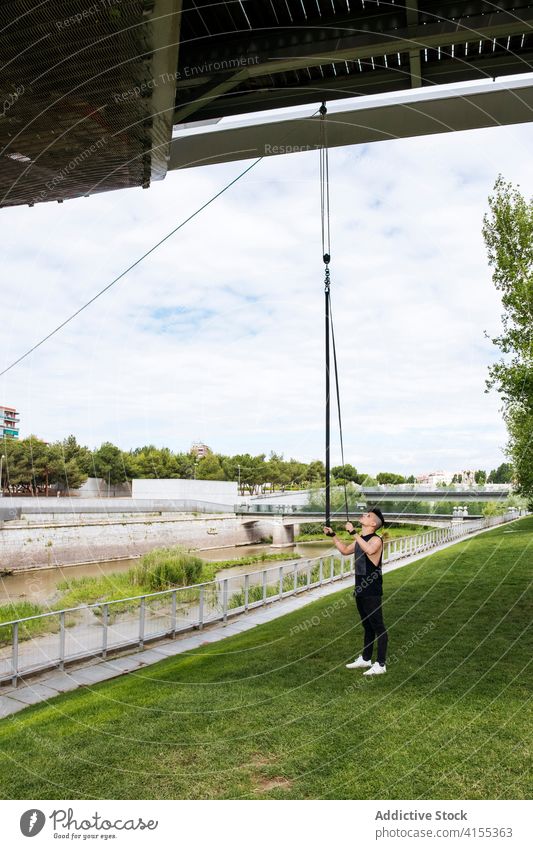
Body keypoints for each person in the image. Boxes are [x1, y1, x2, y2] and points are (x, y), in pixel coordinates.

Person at [323, 507, 388, 676]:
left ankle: (381, 664)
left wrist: (353, 533)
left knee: (378, 626)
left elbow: (370, 550)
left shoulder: (376, 540)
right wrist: (333, 536)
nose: (363, 515)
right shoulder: (362, 539)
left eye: (367, 515)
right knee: (367, 626)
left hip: (372, 589)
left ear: (373, 523)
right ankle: (366, 660)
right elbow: (345, 551)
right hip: (360, 588)